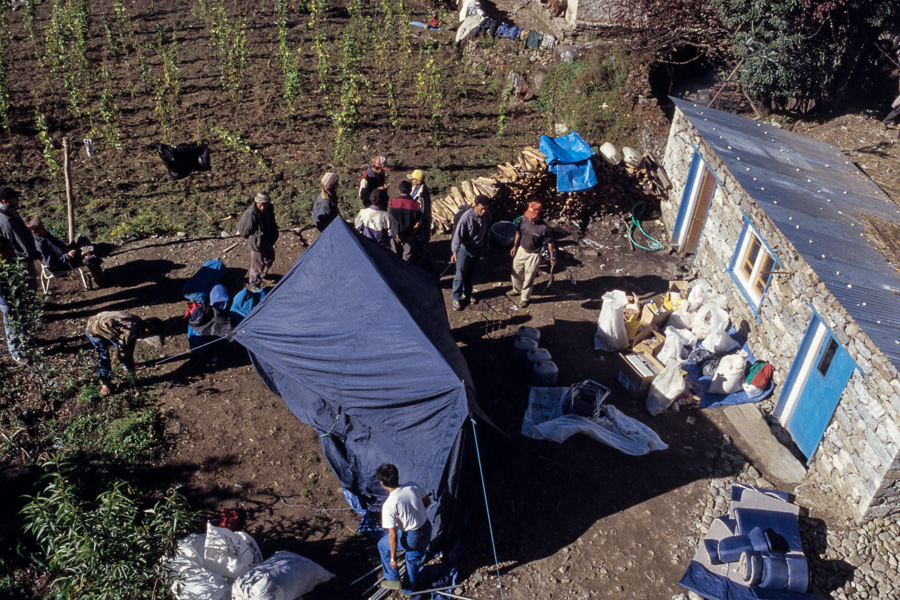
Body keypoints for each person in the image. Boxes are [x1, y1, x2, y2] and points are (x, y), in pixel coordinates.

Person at [376, 463, 432, 592]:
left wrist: (393, 558)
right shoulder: (413, 485)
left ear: (382, 484)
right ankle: (408, 591)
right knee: (413, 560)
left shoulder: (390, 505)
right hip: (426, 528)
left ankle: (393, 579)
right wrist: (416, 513)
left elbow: (392, 535)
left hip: (412, 536)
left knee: (382, 545)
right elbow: (427, 502)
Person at [85, 311, 164, 396]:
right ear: (147, 331)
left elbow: (131, 344)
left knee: (122, 346)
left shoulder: (138, 322)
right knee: (104, 356)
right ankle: (105, 383)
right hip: (93, 329)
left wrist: (130, 363)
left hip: (106, 325)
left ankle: (126, 367)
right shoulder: (129, 332)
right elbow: (123, 353)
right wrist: (130, 366)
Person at [506, 200, 557, 308]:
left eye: (532, 216)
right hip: (521, 250)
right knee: (515, 271)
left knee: (529, 277)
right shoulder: (524, 219)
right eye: (529, 215)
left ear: (538, 214)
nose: (530, 218)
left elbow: (550, 243)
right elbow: (518, 232)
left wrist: (552, 257)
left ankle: (525, 298)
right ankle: (516, 289)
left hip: (533, 255)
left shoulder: (544, 228)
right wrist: (515, 246)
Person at [27, 218, 103, 284]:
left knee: (81, 237)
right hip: (62, 264)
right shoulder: (38, 245)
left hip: (65, 253)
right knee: (89, 259)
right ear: (34, 232)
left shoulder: (44, 234)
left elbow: (56, 241)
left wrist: (64, 247)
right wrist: (67, 256)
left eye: (44, 227)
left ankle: (89, 254)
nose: (45, 230)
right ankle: (99, 280)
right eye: (42, 229)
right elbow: (50, 263)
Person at [450, 194, 491, 311]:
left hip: (478, 249)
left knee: (471, 274)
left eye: (486, 208)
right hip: (465, 249)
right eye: (481, 209)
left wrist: (487, 241)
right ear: (475, 206)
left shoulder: (487, 215)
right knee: (460, 274)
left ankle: (467, 293)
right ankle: (456, 297)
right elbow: (457, 235)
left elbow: (487, 228)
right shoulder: (466, 217)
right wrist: (454, 251)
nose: (484, 211)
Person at [238, 191, 279, 290]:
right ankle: (254, 283)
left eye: (265, 205)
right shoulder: (250, 214)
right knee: (257, 264)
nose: (263, 208)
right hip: (257, 243)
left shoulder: (269, 210)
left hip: (268, 240)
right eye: (261, 205)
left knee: (270, 258)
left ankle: (263, 275)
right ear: (256, 203)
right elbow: (243, 231)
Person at [0, 187, 39, 287]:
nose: (17, 199)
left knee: (30, 285)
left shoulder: (10, 211)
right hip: (20, 259)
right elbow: (16, 242)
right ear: (5, 201)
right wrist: (30, 254)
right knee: (27, 285)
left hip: (23, 256)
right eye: (14, 198)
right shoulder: (7, 220)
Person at [0, 235, 26, 364]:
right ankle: (15, 352)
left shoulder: (12, 258)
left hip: (17, 295)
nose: (12, 249)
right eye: (9, 248)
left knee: (22, 317)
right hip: (7, 300)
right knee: (11, 325)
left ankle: (26, 340)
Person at [389, 180, 423, 263]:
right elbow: (417, 223)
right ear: (410, 190)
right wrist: (410, 236)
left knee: (394, 255)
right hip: (409, 234)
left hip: (396, 233)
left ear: (399, 190)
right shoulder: (416, 205)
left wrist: (397, 235)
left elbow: (391, 221)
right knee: (407, 257)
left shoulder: (393, 203)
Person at [408, 169, 432, 247]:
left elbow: (422, 209)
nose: (412, 180)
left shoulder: (422, 194)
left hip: (420, 219)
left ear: (418, 181)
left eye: (413, 179)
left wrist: (418, 220)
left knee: (420, 237)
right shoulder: (415, 188)